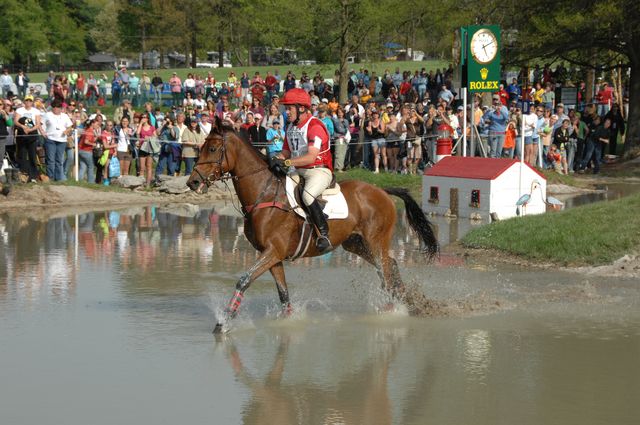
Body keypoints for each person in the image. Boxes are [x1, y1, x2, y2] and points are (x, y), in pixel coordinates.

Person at [270, 88, 333, 253]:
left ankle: (323, 234)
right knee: (278, 187)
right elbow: (285, 152)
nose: (286, 112)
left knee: (307, 195)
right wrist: (276, 159)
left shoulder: (315, 126)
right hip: (298, 170)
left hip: (318, 170)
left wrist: (288, 161)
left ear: (302, 108)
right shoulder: (291, 127)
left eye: (289, 108)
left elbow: (311, 157)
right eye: (286, 108)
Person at [14, 95, 43, 182]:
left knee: (32, 156)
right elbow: (16, 121)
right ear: (24, 101)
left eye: (30, 101)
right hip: (22, 134)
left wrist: (30, 129)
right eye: (27, 100)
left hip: (32, 134)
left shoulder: (36, 111)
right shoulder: (19, 110)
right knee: (21, 155)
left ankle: (33, 175)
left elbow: (38, 124)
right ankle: (23, 174)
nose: (28, 102)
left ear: (32, 102)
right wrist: (23, 127)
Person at [43, 100, 74, 181]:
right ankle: (50, 177)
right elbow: (40, 124)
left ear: (61, 108)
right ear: (52, 107)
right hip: (50, 140)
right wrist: (43, 133)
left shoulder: (64, 116)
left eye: (59, 107)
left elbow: (70, 126)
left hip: (62, 141)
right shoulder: (47, 115)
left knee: (59, 160)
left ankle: (58, 178)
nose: (57, 109)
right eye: (55, 107)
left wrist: (67, 131)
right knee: (51, 159)